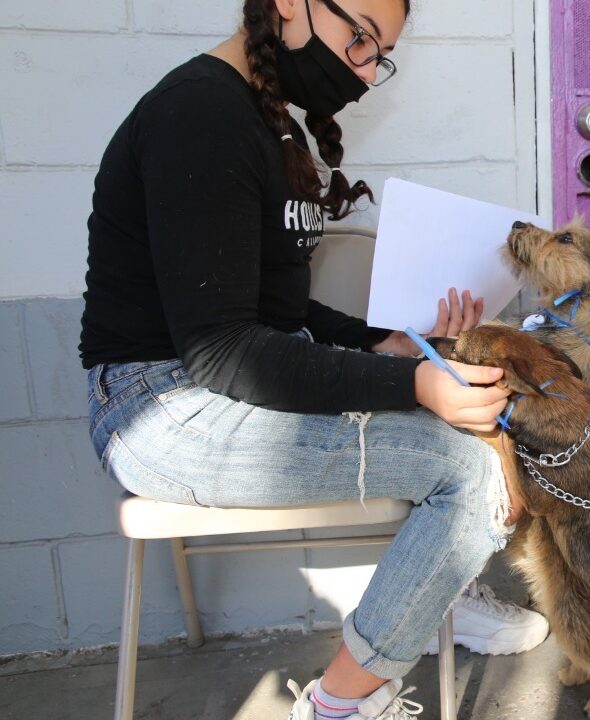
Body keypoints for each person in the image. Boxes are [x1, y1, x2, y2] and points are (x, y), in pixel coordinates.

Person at [79, 1, 546, 717]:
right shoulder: (200, 116)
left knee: (480, 436)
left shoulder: (267, 121)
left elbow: (278, 314)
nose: (362, 69)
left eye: (376, 53)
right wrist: (412, 381)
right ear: (291, 3)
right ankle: (338, 704)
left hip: (208, 389)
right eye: (358, 35)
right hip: (159, 411)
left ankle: (427, 598)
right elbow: (223, 349)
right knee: (469, 469)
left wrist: (382, 343)